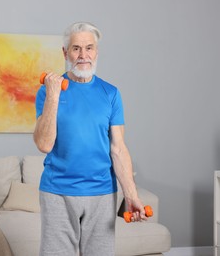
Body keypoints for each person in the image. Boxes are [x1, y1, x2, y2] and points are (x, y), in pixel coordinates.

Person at [33, 22, 147, 256]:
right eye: (76, 48)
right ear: (65, 53)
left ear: (97, 52)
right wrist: (54, 96)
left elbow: (118, 149)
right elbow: (44, 144)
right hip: (58, 192)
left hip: (102, 193)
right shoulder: (47, 91)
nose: (83, 55)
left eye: (89, 48)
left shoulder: (111, 93)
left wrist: (132, 195)